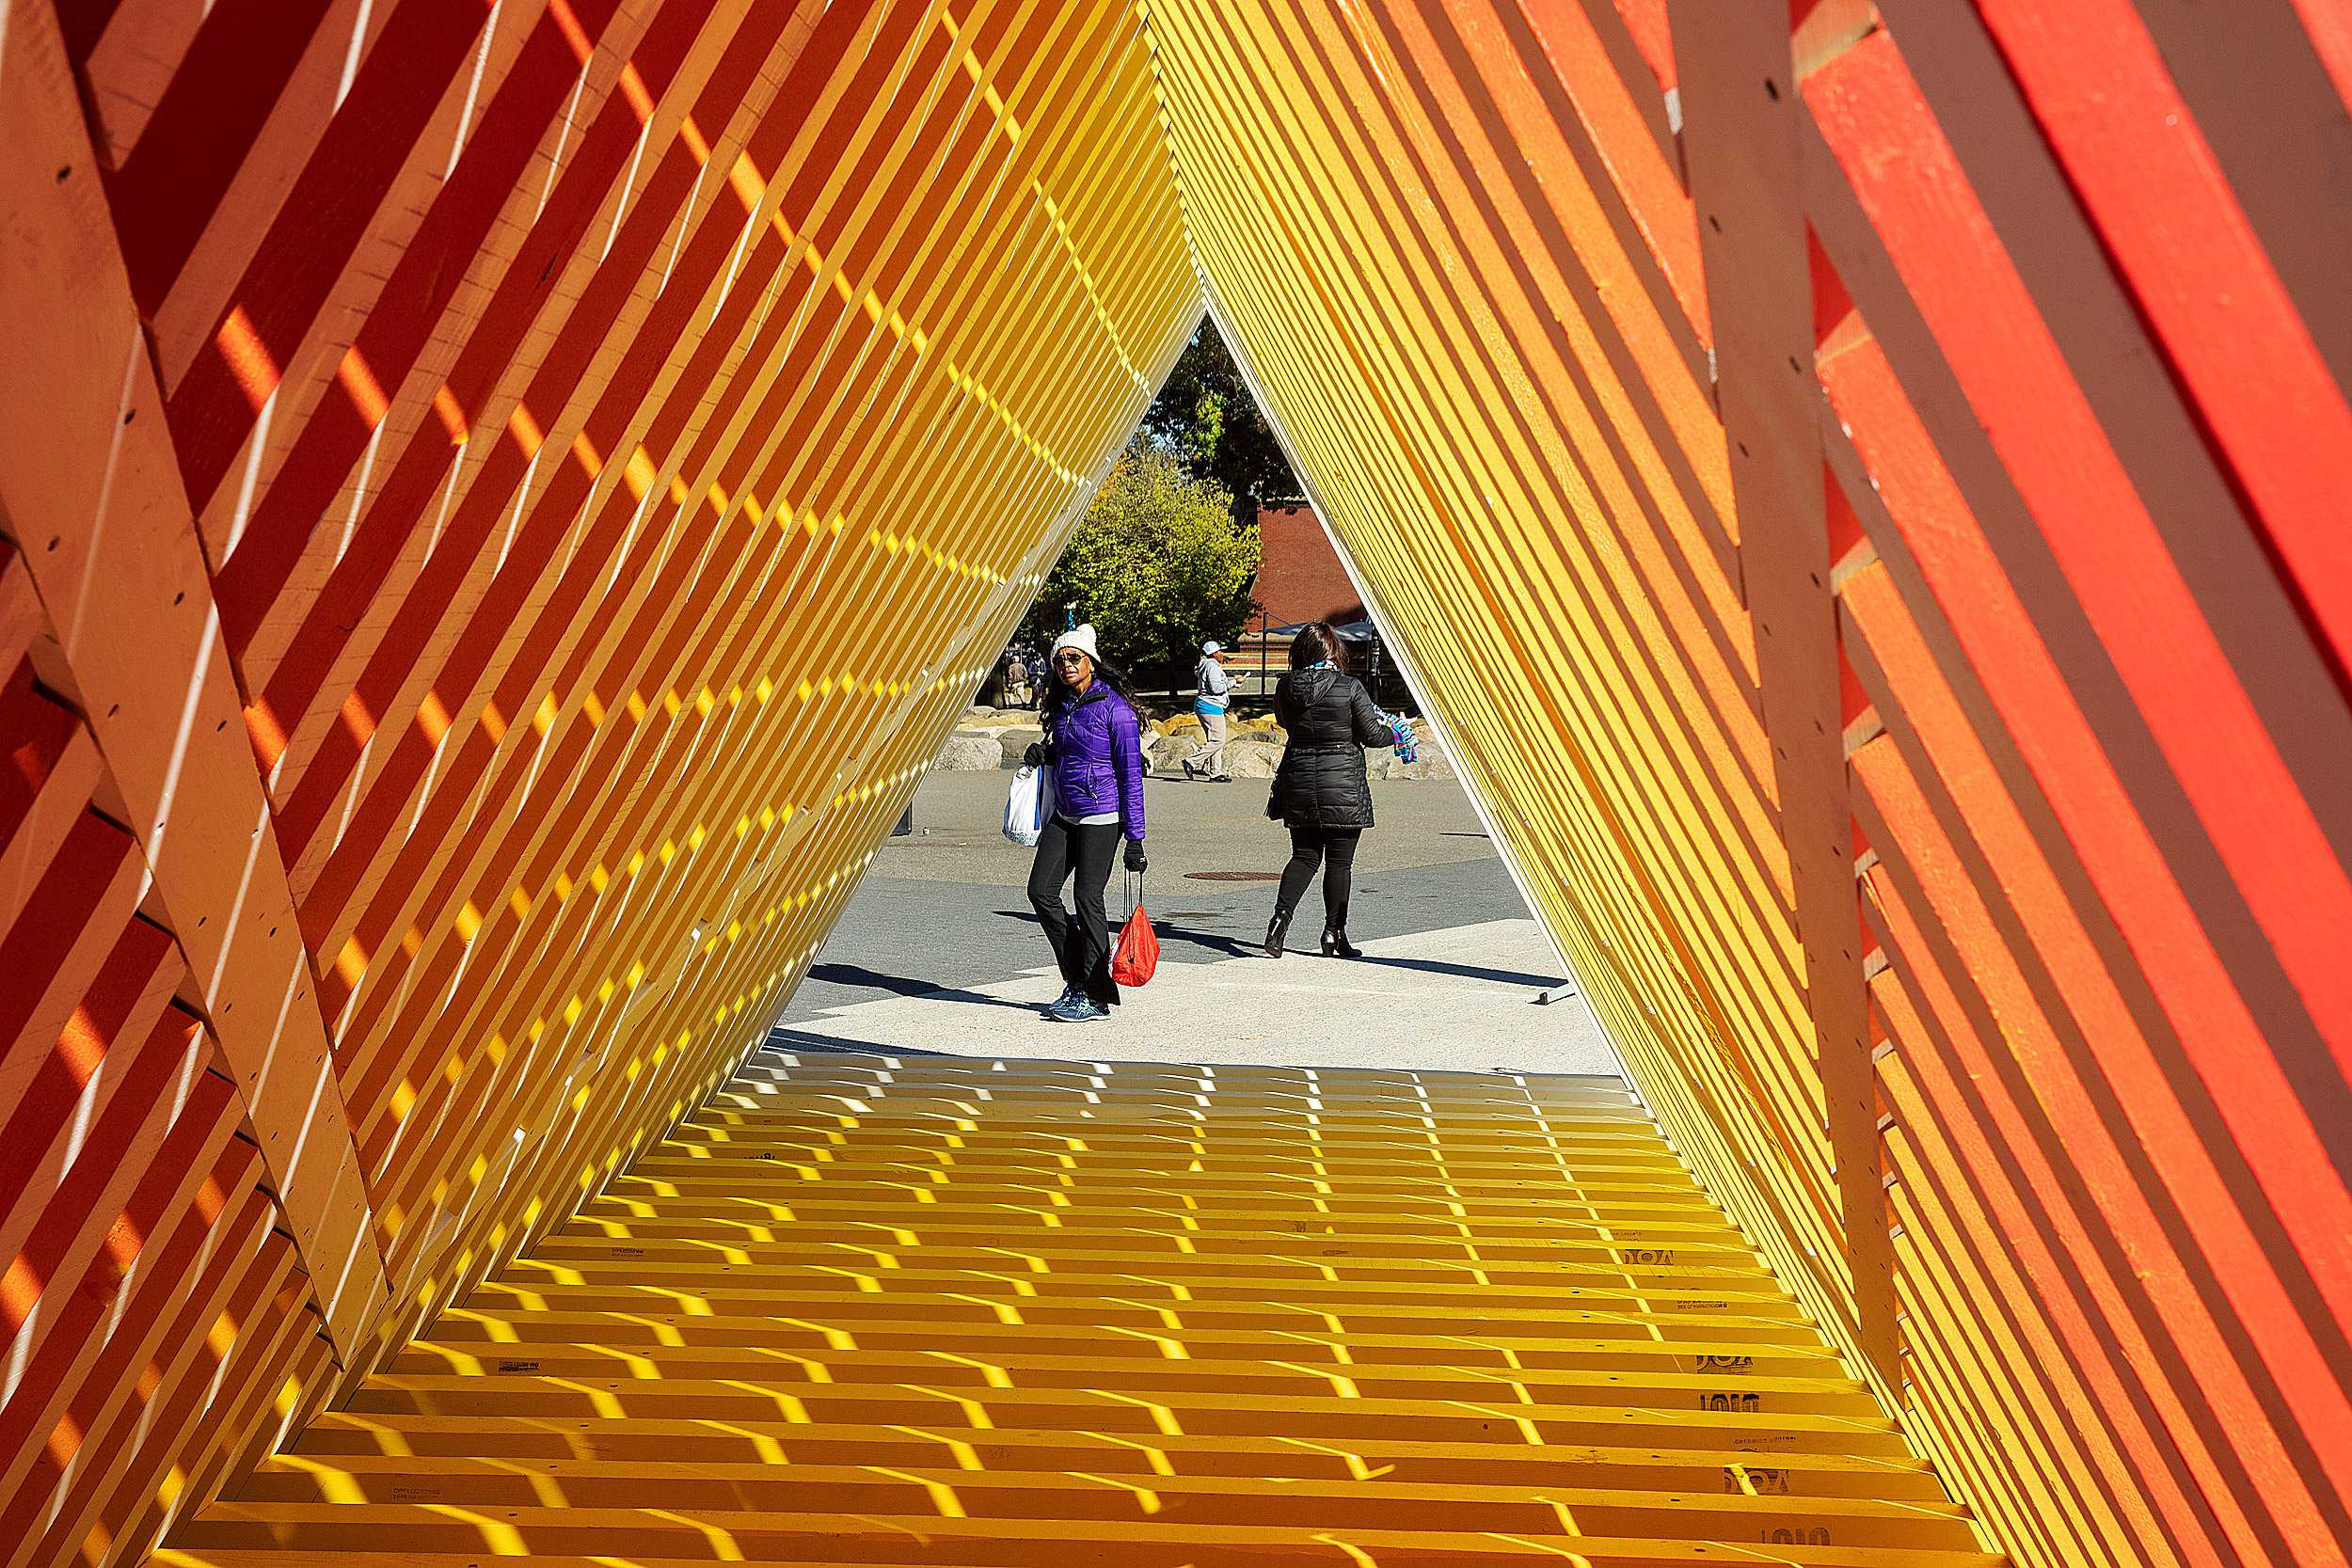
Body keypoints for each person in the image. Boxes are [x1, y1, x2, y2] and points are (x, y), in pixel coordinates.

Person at [1022, 624, 1149, 1022]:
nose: (1065, 665)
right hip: (1065, 813)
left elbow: (1131, 775)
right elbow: (1068, 751)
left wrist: (1135, 838)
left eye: (1073, 657)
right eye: (1059, 659)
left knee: (1086, 899)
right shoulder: (1062, 706)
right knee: (1040, 892)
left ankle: (1094, 998)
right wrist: (1045, 752)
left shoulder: (1116, 710)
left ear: (1091, 661)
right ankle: (1079, 980)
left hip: (1102, 816)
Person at [1263, 621, 1391, 958]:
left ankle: (1279, 920)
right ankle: (1334, 934)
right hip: (1342, 786)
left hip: (1300, 781)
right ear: (1332, 651)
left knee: (1303, 857)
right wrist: (1395, 731)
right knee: (1338, 863)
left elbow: (1285, 723)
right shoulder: (1348, 687)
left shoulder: (1285, 687)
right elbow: (1373, 736)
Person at [1183, 640, 1232, 782]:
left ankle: (1215, 773)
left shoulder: (1206, 665)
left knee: (1214, 740)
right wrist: (1233, 683)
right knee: (1218, 740)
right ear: (1214, 653)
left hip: (1205, 705)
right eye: (1220, 651)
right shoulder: (1212, 666)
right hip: (1211, 707)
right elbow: (1216, 688)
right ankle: (1190, 761)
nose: (1223, 654)